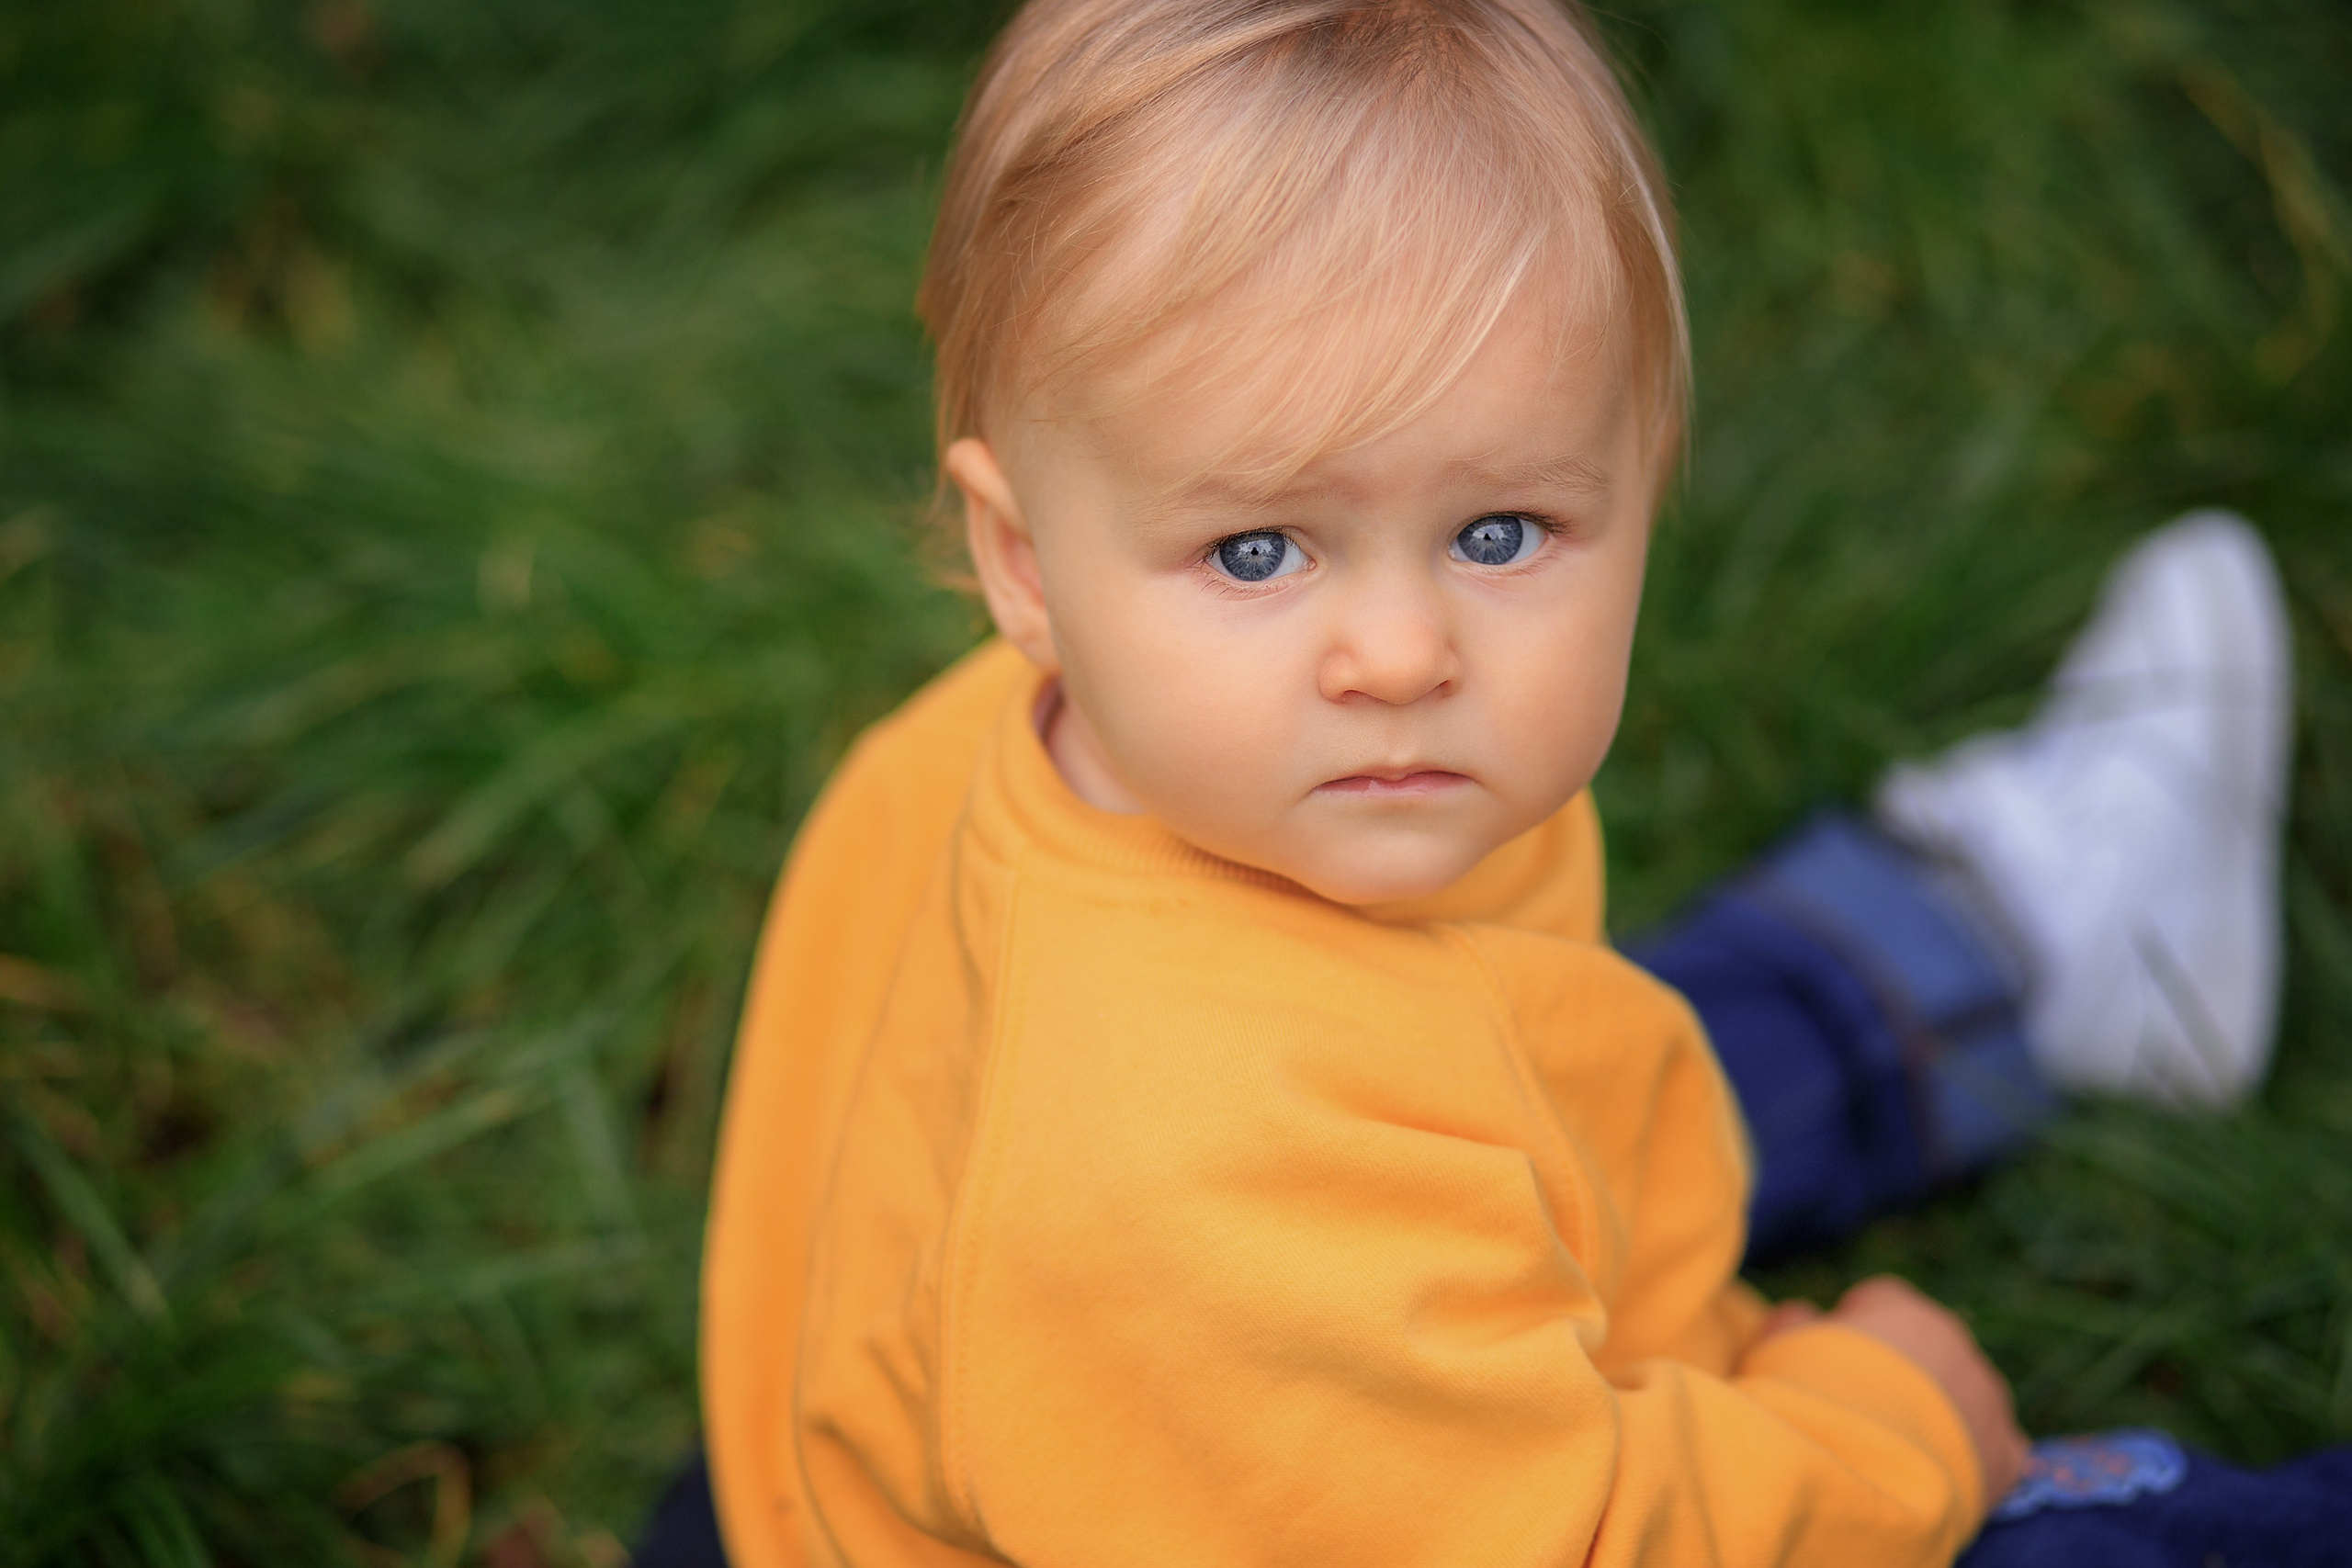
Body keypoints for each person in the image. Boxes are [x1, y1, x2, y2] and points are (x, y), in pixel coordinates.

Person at [664, 3, 2343, 1564]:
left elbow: (1490, 1098)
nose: (1402, 648)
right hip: (1310, 1461)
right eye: (1259, 549)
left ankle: (1982, 940)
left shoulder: (1171, 763)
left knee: (1601, 1086)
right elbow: (1577, 1537)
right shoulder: (1185, 1203)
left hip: (1198, 1403)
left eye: (1498, 531)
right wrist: (1894, 1427)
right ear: (1026, 558)